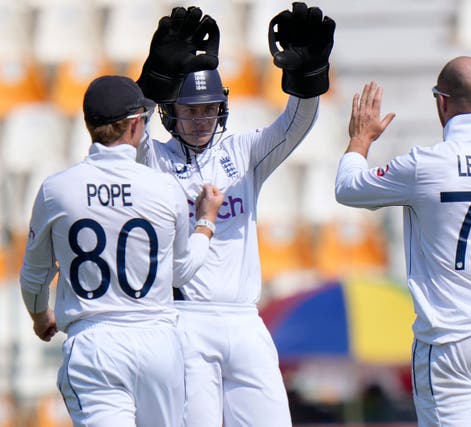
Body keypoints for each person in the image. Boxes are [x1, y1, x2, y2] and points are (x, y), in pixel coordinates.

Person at [134, 3, 335, 426]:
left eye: (208, 109)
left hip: (245, 319)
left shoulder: (242, 153)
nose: (201, 119)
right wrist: (155, 81)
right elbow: (129, 134)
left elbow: (295, 125)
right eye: (191, 110)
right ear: (171, 112)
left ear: (222, 108)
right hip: (185, 321)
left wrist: (307, 78)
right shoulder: (154, 159)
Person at [334, 57, 471, 426]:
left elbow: (348, 189)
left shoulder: (423, 165)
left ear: (441, 102)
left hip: (453, 337)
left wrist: (360, 139)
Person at [19, 75, 224, 427]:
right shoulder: (164, 188)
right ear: (133, 126)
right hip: (159, 345)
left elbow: (34, 276)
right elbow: (181, 272)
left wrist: (40, 317)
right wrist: (206, 223)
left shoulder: (57, 190)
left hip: (96, 346)